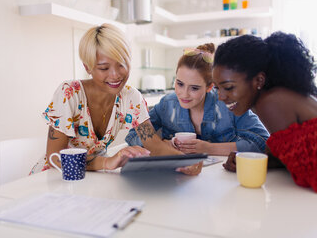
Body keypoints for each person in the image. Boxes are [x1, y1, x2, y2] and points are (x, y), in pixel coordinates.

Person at [32, 23, 201, 175]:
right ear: (87, 67)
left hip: (91, 178)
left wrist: (184, 160)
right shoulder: (69, 93)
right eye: (104, 68)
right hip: (53, 178)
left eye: (121, 64)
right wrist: (106, 162)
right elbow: (56, 158)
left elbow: (153, 144)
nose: (115, 75)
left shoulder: (130, 97)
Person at [212, 32, 317, 192]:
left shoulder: (269, 103)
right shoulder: (280, 95)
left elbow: (307, 171)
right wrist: (255, 161)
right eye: (217, 88)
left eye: (228, 87)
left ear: (259, 80)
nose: (220, 96)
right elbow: (292, 156)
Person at [126, 43, 269, 156]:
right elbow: (133, 136)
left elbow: (264, 142)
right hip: (180, 179)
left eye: (194, 88)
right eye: (179, 84)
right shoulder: (167, 105)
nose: (184, 94)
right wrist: (163, 145)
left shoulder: (228, 104)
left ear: (209, 87)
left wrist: (210, 148)